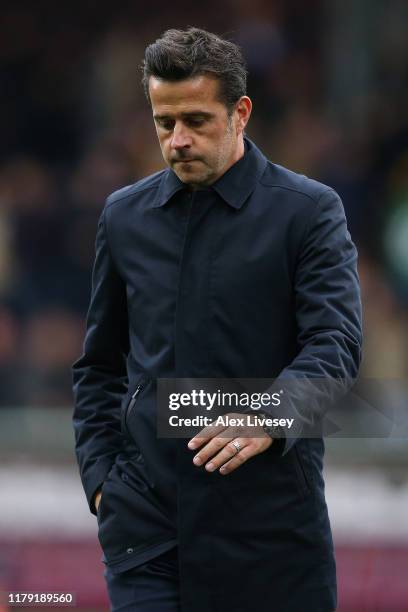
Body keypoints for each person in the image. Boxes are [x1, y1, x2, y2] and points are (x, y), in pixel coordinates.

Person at [72, 27, 362, 612]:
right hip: (149, 539)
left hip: (275, 542)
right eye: (164, 122)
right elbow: (98, 366)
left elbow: (336, 344)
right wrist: (103, 483)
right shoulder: (124, 217)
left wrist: (270, 413)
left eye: (197, 121)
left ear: (241, 113)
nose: (177, 140)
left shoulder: (308, 212)